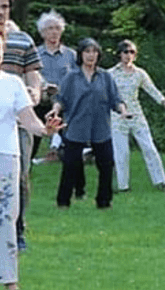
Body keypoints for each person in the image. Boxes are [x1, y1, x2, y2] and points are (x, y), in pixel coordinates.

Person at [0, 22, 62, 290]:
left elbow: (28, 119)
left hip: (3, 154)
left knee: (4, 218)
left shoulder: (13, 83)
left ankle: (11, 284)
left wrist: (45, 130)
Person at [0, 0, 42, 250]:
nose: (0, 11)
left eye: (4, 7)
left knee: (18, 177)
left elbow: (33, 73)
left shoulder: (22, 39)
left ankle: (17, 232)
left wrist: (36, 91)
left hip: (17, 119)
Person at [50, 38, 128, 209]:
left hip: (101, 127)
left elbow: (115, 99)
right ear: (81, 54)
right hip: (77, 126)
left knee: (106, 165)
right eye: (87, 51)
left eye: (94, 52)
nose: (91, 55)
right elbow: (61, 99)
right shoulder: (71, 76)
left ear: (98, 55)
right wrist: (55, 111)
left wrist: (123, 111)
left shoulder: (105, 76)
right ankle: (63, 202)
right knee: (70, 165)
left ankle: (104, 202)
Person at [109, 39, 165, 193]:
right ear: (119, 54)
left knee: (149, 148)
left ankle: (162, 182)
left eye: (132, 52)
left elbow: (152, 90)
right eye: (125, 52)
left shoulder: (140, 73)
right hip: (117, 117)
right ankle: (123, 186)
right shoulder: (110, 74)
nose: (128, 55)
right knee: (121, 152)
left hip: (137, 116)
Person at [33, 9, 75, 160]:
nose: (54, 32)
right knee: (31, 147)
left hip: (65, 106)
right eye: (50, 28)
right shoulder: (34, 53)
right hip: (40, 105)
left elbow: (77, 80)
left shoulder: (71, 55)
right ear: (42, 33)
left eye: (57, 28)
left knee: (72, 149)